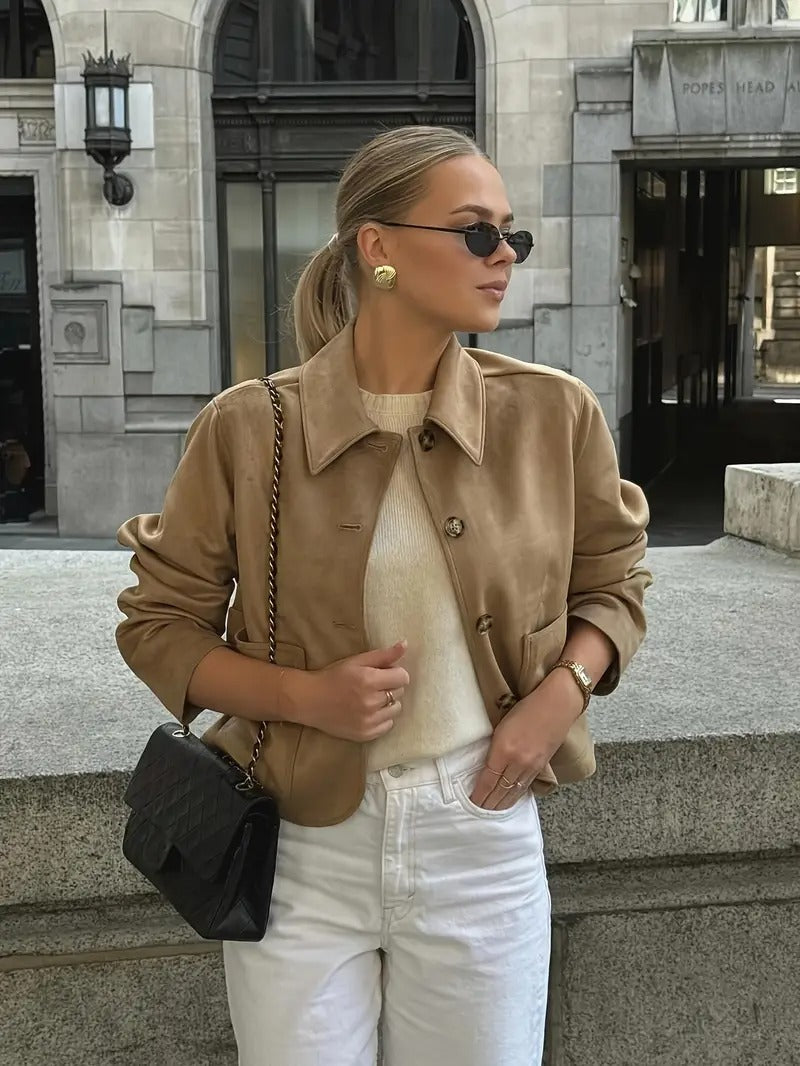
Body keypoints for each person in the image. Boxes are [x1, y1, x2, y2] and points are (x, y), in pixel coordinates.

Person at [115, 125, 652, 1066]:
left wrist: (559, 697)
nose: (504, 256)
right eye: (476, 232)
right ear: (378, 247)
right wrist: (305, 696)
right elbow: (158, 625)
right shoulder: (249, 429)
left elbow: (614, 583)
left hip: (480, 837)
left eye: (512, 235)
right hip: (300, 847)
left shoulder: (553, 414)